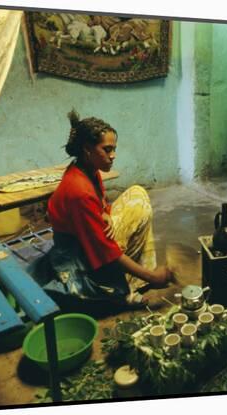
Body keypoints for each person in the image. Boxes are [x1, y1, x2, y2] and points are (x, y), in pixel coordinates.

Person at [39, 109, 173, 311]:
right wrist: (153, 277)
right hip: (74, 257)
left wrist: (102, 211)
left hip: (80, 238)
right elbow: (105, 253)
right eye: (107, 149)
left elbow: (99, 199)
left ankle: (137, 272)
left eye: (114, 149)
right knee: (115, 248)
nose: (113, 155)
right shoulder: (79, 190)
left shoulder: (87, 169)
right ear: (87, 149)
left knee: (137, 193)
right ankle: (130, 285)